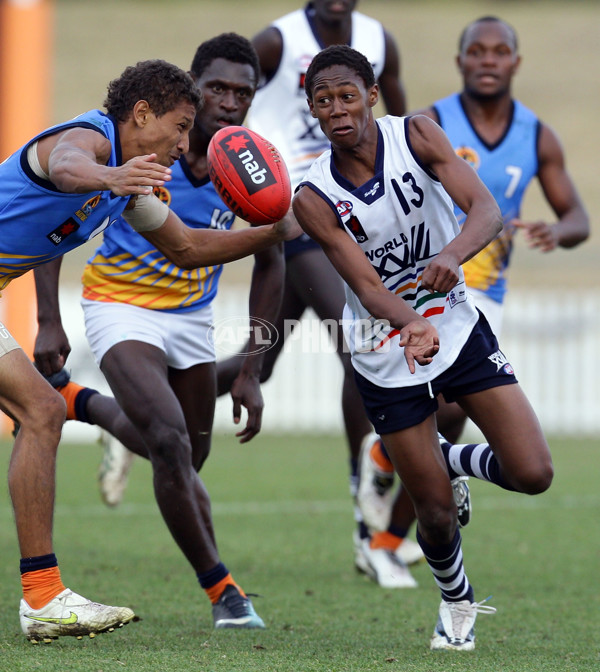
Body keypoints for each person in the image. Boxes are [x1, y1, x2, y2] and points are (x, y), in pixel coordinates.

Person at [1, 57, 295, 642]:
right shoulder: (91, 140)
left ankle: (42, 597)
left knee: (44, 411)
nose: (188, 141)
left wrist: (275, 228)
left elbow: (186, 247)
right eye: (181, 126)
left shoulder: (133, 183)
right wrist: (113, 178)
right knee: (43, 412)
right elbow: (65, 167)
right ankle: (42, 598)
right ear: (141, 114)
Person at [293, 44, 554, 651]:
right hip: (384, 347)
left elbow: (485, 211)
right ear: (311, 108)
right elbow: (361, 284)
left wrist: (449, 255)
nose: (337, 108)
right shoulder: (312, 196)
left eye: (347, 95)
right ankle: (457, 607)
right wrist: (409, 319)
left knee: (533, 472)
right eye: (322, 99)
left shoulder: (416, 135)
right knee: (433, 512)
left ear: (372, 94)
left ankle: (446, 460)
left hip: (457, 324)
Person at [215, 0, 425, 589]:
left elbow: (400, 128)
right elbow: (220, 99)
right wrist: (245, 168)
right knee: (361, 348)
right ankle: (369, 526)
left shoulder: (377, 38)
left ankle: (138, 412)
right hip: (299, 214)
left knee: (258, 364)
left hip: (351, 215)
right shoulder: (278, 41)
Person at [357, 16, 589, 533]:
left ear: (515, 62)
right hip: (426, 287)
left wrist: (559, 231)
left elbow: (578, 218)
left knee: (453, 412)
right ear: (460, 61)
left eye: (498, 51)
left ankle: (392, 498)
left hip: (490, 292)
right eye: (477, 51)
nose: (488, 60)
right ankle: (389, 517)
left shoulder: (536, 136)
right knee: (442, 404)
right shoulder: (429, 123)